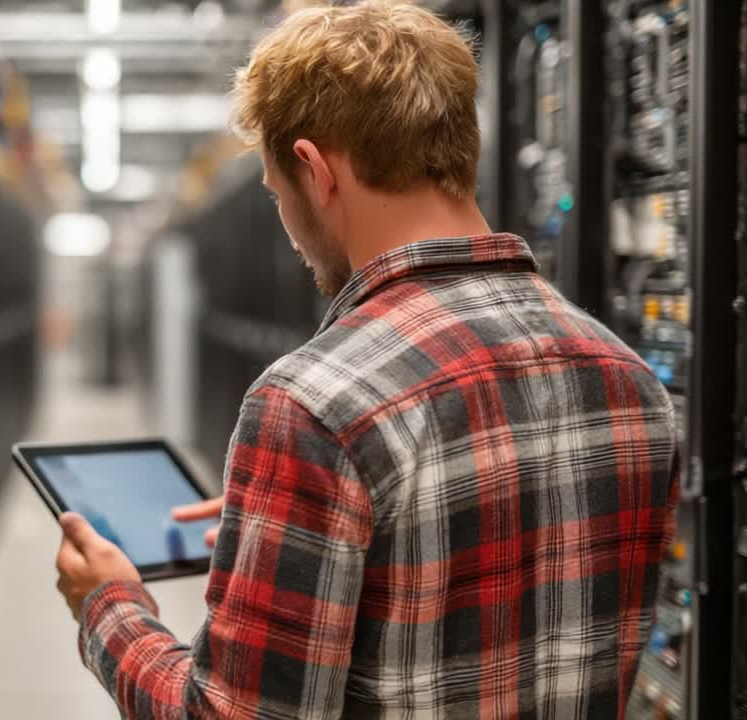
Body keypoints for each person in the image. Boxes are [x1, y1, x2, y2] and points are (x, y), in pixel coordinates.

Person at [52, 1, 680, 718]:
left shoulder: (315, 405)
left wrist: (108, 605)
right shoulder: (630, 381)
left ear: (315, 172)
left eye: (276, 192)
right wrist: (316, 514)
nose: (286, 222)